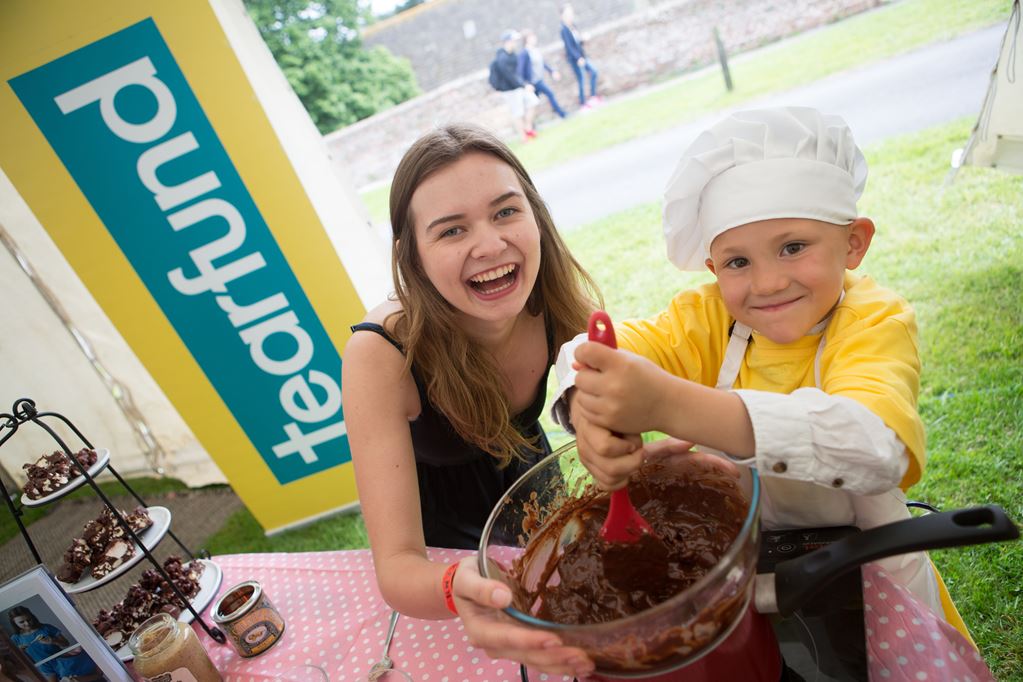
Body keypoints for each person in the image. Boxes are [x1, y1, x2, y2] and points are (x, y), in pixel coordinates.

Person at [554, 106, 973, 641]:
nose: (768, 283)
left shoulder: (874, 320)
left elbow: (874, 444)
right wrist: (588, 407)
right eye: (738, 262)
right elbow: (589, 350)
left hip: (874, 579)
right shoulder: (711, 317)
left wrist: (670, 407)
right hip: (752, 570)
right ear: (712, 270)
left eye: (793, 247)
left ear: (854, 242)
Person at [341, 123, 601, 678]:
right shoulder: (381, 353)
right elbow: (398, 569)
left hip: (536, 481)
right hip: (448, 540)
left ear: (535, 215)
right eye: (452, 230)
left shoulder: (556, 300)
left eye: (506, 212)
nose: (490, 245)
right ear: (411, 256)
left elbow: (599, 424)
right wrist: (454, 587)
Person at [7, 606, 99, 682]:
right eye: (21, 622)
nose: (27, 623)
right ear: (14, 623)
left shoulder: (46, 628)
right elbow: (14, 661)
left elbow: (66, 643)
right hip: (44, 668)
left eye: (29, 619)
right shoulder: (15, 639)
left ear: (32, 616)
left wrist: (53, 641)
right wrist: (19, 652)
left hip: (62, 663)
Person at [489, 30, 539, 141]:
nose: (516, 43)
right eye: (513, 40)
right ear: (507, 41)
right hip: (509, 90)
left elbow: (517, 74)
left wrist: (523, 84)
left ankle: (528, 127)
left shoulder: (513, 55)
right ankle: (523, 138)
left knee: (533, 101)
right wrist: (524, 85)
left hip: (518, 87)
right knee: (518, 113)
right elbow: (509, 76)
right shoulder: (502, 58)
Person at [517, 29, 567, 120]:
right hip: (533, 83)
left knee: (535, 104)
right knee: (544, 97)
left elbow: (543, 63)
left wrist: (552, 71)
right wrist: (526, 84)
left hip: (539, 80)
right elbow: (520, 71)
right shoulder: (524, 53)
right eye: (532, 37)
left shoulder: (535, 50)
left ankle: (533, 125)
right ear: (527, 39)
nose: (535, 38)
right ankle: (561, 114)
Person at [559, 3, 600, 110]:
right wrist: (578, 58)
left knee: (594, 72)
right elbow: (569, 47)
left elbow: (577, 43)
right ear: (562, 15)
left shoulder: (573, 26)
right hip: (575, 59)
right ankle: (583, 104)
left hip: (582, 56)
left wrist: (583, 39)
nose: (570, 14)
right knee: (581, 79)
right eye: (567, 12)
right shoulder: (564, 30)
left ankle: (593, 97)